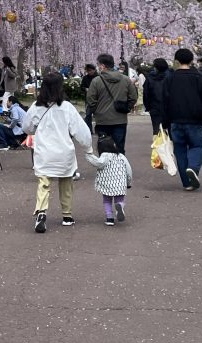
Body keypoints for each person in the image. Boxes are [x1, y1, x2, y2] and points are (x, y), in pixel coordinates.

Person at [22, 72, 93, 233]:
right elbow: (81, 131)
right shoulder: (67, 107)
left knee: (44, 184)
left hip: (44, 152)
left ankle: (41, 212)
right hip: (64, 152)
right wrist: (88, 148)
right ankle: (67, 215)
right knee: (66, 184)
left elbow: (26, 127)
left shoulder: (36, 107)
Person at [161, 48, 202, 191]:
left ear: (176, 61)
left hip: (175, 120)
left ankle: (187, 183)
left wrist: (164, 122)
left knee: (180, 150)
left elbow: (163, 101)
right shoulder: (199, 77)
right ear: (192, 60)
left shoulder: (170, 78)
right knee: (196, 146)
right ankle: (193, 168)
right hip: (195, 120)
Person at [85, 53, 137, 155]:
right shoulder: (125, 79)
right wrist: (126, 108)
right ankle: (120, 169)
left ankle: (106, 169)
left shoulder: (96, 81)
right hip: (120, 119)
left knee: (103, 148)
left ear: (102, 66)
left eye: (98, 64)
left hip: (102, 121)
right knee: (119, 147)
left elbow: (90, 99)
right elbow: (133, 97)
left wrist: (96, 111)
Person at [85, 133, 133, 226]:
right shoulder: (121, 156)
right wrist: (128, 182)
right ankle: (120, 206)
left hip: (106, 183)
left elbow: (98, 163)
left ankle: (109, 218)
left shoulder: (104, 156)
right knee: (120, 199)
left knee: (107, 201)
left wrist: (89, 156)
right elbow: (128, 170)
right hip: (119, 183)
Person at [141, 58, 170, 135]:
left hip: (154, 107)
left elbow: (146, 94)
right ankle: (168, 144)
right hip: (169, 107)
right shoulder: (170, 77)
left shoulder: (150, 78)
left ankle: (157, 144)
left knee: (156, 128)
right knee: (169, 129)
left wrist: (148, 107)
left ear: (155, 67)